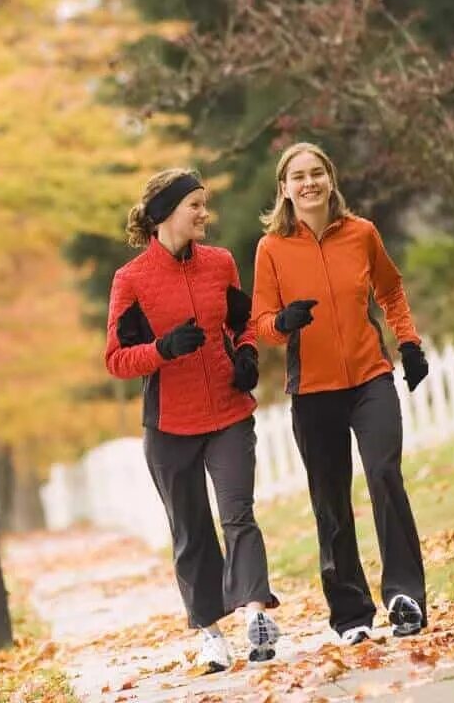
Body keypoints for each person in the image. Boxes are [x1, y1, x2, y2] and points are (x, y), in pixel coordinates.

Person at [251, 142, 430, 645]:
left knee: (384, 474)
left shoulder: (361, 234)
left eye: (316, 174)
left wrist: (409, 343)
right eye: (297, 177)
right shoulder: (272, 249)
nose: (308, 183)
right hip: (313, 391)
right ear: (284, 189)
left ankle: (405, 596)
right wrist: (283, 324)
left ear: (330, 179)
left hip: (371, 378)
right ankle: (351, 615)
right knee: (330, 501)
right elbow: (261, 321)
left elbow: (391, 291)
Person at [105, 168, 281, 672]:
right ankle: (210, 635)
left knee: (238, 514)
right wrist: (161, 350)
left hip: (227, 412)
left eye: (205, 204)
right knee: (191, 531)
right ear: (165, 215)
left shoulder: (220, 264)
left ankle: (255, 616)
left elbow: (243, 323)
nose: (206, 214)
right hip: (168, 426)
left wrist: (246, 355)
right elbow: (116, 358)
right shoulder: (131, 281)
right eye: (196, 206)